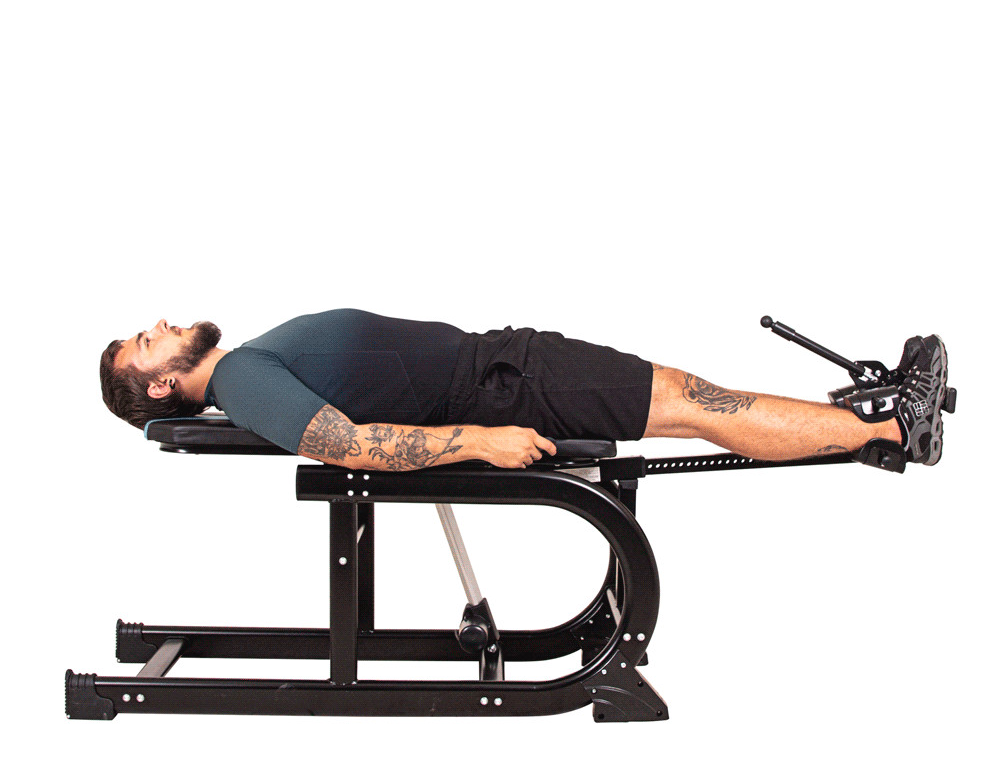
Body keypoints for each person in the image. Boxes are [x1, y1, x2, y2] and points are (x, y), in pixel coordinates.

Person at [99, 309, 949, 471]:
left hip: (501, 370)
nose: (161, 322)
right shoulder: (242, 380)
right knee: (692, 402)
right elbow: (351, 448)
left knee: (691, 401)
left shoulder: (247, 366)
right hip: (503, 391)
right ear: (165, 384)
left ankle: (874, 427)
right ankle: (889, 427)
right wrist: (479, 439)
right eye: (147, 341)